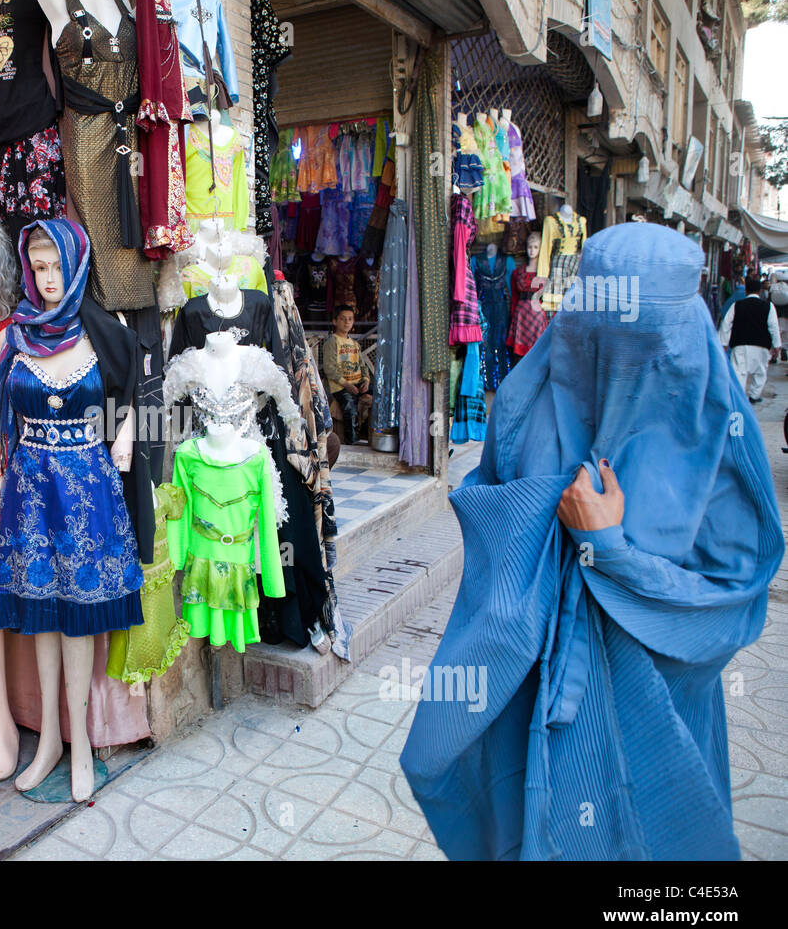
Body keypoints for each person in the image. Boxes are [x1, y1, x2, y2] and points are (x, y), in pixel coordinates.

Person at [400, 223, 782, 860]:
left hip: (656, 718)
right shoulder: (526, 406)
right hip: (533, 699)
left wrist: (608, 550)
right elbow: (491, 521)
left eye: (646, 348)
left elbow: (733, 602)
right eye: (605, 341)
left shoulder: (717, 426)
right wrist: (543, 522)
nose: (622, 374)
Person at [718, 275, 779, 403]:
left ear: (746, 290)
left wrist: (723, 342)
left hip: (740, 344)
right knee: (760, 372)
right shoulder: (768, 306)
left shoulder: (736, 305)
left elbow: (726, 324)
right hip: (762, 345)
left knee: (740, 372)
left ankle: (740, 398)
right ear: (760, 291)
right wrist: (776, 345)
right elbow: (773, 327)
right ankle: (754, 396)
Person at [320, 304, 372, 444]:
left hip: (356, 383)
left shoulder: (355, 344)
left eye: (350, 319)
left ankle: (370, 437)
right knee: (350, 409)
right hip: (340, 386)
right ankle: (352, 442)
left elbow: (362, 366)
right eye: (343, 319)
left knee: (378, 397)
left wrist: (366, 381)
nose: (347, 322)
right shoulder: (332, 342)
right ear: (335, 321)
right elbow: (329, 369)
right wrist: (347, 385)